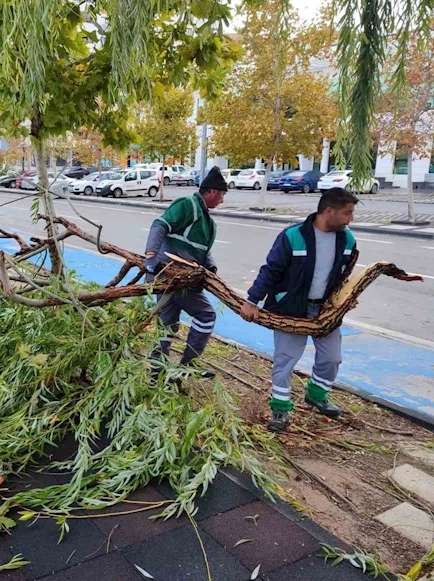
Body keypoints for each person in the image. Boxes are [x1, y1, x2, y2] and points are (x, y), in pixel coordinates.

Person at [240, 188, 359, 432]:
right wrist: (252, 300)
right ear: (329, 211)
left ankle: (316, 394)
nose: (350, 219)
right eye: (347, 213)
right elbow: (271, 270)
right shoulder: (293, 236)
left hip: (325, 310)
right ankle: (280, 410)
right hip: (291, 308)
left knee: (332, 357)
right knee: (285, 360)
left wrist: (348, 298)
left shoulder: (347, 240)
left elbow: (345, 275)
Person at [144, 166, 227, 377]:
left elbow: (199, 250)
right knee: (206, 315)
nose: (222, 201)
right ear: (213, 192)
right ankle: (187, 367)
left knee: (167, 324)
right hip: (174, 276)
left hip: (182, 279)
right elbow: (159, 225)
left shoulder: (208, 221)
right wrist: (151, 257)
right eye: (222, 195)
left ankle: (157, 371)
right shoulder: (188, 205)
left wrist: (211, 266)